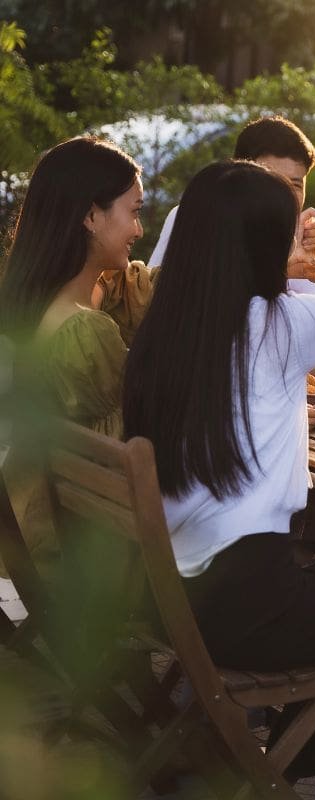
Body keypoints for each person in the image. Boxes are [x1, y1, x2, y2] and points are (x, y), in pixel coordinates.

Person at [122, 159, 315, 777]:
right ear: (262, 247)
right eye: (287, 234)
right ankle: (298, 759)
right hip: (241, 613)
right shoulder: (281, 322)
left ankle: (291, 741)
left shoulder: (166, 328)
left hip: (163, 595)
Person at [0, 136, 153, 577]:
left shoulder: (58, 295)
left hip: (33, 536)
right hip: (84, 561)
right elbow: (131, 438)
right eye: (134, 212)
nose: (140, 231)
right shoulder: (83, 332)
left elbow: (149, 289)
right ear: (90, 216)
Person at [148, 114, 315, 380]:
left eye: (295, 185)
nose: (284, 196)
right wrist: (283, 268)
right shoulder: (195, 218)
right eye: (273, 182)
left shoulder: (302, 239)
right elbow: (167, 317)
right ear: (239, 176)